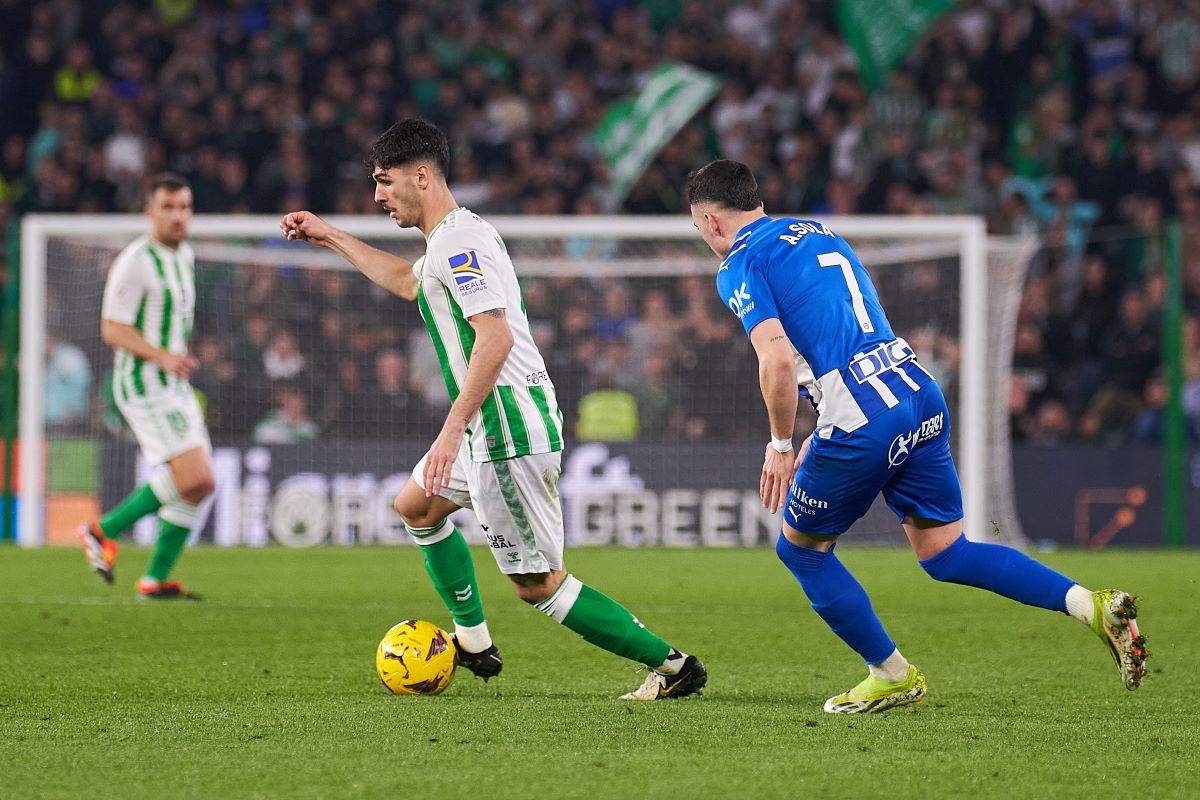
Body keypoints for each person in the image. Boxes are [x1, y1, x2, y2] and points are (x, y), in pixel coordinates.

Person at [685, 159, 1148, 714]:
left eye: (698, 228)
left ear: (711, 221)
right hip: (915, 389)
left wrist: (782, 443)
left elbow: (778, 360)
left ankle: (891, 674)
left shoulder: (739, 263)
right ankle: (1088, 605)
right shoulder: (814, 232)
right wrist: (825, 420)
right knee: (945, 551)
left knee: (801, 550)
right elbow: (837, 333)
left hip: (863, 418)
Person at [280, 118, 705, 700]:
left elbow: (495, 338)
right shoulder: (450, 240)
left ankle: (673, 665)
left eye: (385, 181)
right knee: (417, 509)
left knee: (538, 584)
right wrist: (328, 235)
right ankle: (473, 640)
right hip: (491, 421)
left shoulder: (460, 241)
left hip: (502, 425)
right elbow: (408, 282)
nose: (378, 195)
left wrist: (452, 428)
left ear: (421, 175)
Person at [77, 173, 214, 600]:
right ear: (149, 212)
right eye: (168, 208)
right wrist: (163, 357)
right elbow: (112, 329)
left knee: (201, 484)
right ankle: (102, 531)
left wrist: (176, 357)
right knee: (196, 476)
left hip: (172, 382)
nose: (178, 216)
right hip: (142, 382)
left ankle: (154, 579)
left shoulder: (184, 256)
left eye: (184, 207)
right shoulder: (135, 260)